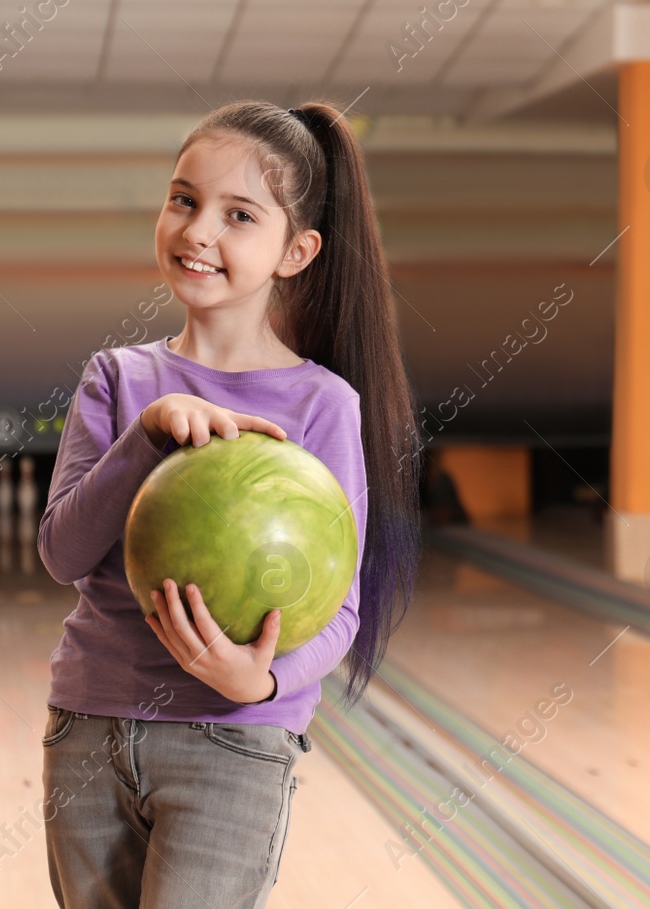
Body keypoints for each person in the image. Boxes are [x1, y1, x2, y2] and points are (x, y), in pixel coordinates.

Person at [36, 100, 422, 909]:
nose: (198, 230)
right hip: (91, 722)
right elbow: (62, 555)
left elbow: (342, 610)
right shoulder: (117, 380)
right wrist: (144, 439)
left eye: (238, 214)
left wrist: (262, 681)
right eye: (184, 199)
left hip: (235, 739)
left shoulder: (324, 404)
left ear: (295, 250)